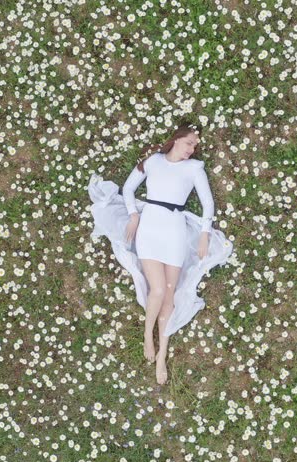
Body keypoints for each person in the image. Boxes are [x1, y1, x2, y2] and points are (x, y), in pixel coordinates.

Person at [87, 121, 233, 385]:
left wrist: (204, 233)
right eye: (190, 143)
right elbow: (129, 188)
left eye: (195, 146)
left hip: (175, 231)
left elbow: (207, 202)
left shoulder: (194, 168)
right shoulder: (153, 162)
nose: (192, 149)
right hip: (150, 228)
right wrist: (133, 216)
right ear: (177, 139)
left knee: (169, 295)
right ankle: (147, 336)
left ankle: (163, 354)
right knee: (157, 290)